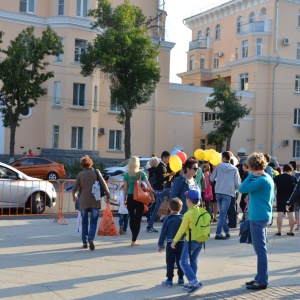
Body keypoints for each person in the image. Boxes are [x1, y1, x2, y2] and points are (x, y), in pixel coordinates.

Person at [238, 152, 274, 290]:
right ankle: (259, 277)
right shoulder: (267, 178)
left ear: (252, 166)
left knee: (260, 250)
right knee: (261, 249)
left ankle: (262, 280)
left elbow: (241, 188)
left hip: (258, 217)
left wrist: (251, 175)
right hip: (262, 215)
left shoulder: (260, 180)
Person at [72, 155, 111, 251]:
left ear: (82, 165)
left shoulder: (80, 175)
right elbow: (104, 185)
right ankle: (91, 238)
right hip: (95, 200)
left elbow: (74, 189)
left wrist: (74, 195)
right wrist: (108, 196)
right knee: (93, 221)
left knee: (84, 222)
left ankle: (84, 242)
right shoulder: (96, 172)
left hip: (83, 201)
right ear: (91, 163)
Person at [171, 190, 204, 295]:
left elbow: (181, 230)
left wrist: (174, 242)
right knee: (193, 261)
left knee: (183, 262)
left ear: (188, 201)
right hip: (201, 240)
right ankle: (192, 282)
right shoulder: (202, 211)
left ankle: (194, 282)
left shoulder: (188, 214)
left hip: (191, 240)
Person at [123, 156, 154, 246]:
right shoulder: (141, 173)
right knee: (138, 219)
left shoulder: (126, 175)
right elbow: (149, 186)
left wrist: (124, 199)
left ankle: (133, 236)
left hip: (130, 197)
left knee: (131, 217)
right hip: (139, 198)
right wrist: (152, 196)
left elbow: (125, 188)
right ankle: (134, 240)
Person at [210, 151, 241, 239]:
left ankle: (227, 232)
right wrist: (234, 190)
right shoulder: (234, 169)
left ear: (223, 158)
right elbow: (238, 184)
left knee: (223, 213)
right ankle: (218, 233)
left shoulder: (218, 167)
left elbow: (212, 178)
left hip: (218, 192)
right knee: (223, 214)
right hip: (228, 193)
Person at [158, 198, 184, 287]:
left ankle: (169, 280)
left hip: (170, 243)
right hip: (181, 243)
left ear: (169, 207)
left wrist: (160, 244)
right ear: (181, 208)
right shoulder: (183, 218)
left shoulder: (168, 219)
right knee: (180, 261)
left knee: (170, 262)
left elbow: (163, 232)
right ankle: (181, 279)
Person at [147, 151, 174, 233]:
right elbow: (161, 180)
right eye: (168, 158)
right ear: (164, 157)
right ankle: (170, 226)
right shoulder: (161, 167)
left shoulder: (162, 166)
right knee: (167, 208)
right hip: (161, 189)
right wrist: (170, 175)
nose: (169, 160)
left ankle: (150, 225)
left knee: (156, 209)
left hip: (159, 189)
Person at [273, 164, 297, 236]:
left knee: (280, 214)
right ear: (290, 170)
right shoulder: (292, 178)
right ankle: (291, 231)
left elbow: (274, 188)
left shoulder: (278, 177)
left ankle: (279, 231)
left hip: (280, 197)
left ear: (283, 170)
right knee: (291, 215)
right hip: (290, 198)